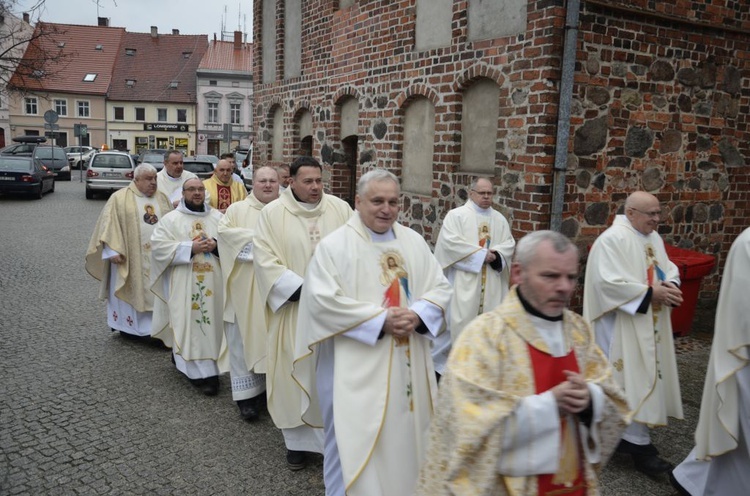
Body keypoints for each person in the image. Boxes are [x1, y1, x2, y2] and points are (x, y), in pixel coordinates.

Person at [417, 230, 629, 495]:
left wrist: (590, 401)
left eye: (570, 277)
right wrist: (549, 406)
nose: (563, 286)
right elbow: (463, 428)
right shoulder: (485, 336)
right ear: (518, 273)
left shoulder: (578, 331)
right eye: (550, 276)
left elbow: (615, 402)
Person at [293, 169, 452, 496]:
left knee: (406, 436)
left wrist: (418, 315)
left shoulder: (413, 241)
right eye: (377, 201)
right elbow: (321, 302)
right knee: (351, 442)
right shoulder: (335, 247)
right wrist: (381, 321)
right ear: (358, 202)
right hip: (352, 369)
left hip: (407, 365)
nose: (387, 209)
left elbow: (439, 287)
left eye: (394, 202)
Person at [253, 156, 352, 470]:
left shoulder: (341, 209)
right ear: (290, 181)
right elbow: (265, 260)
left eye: (319, 181)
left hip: (334, 315)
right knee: (294, 377)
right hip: (295, 312)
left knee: (332, 378)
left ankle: (335, 444)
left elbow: (357, 250)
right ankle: (296, 444)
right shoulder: (272, 214)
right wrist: (307, 291)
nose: (315, 187)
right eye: (307, 181)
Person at [583, 191, 684, 476]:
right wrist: (650, 293)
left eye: (658, 213)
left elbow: (667, 268)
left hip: (647, 322)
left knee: (639, 377)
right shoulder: (612, 240)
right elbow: (607, 284)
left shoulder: (653, 238)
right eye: (650, 213)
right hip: (619, 327)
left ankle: (624, 438)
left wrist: (672, 284)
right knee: (626, 379)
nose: (656, 219)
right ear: (630, 212)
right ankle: (636, 445)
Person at [671, 227, 750, 495]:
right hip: (743, 359)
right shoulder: (748, 243)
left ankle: (690, 479)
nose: (655, 218)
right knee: (734, 433)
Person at [150, 178, 227, 396]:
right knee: (189, 322)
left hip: (215, 283)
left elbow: (232, 244)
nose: (196, 193)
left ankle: (207, 366)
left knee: (213, 323)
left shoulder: (218, 218)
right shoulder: (171, 220)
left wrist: (216, 246)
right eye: (191, 189)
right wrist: (189, 247)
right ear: (183, 193)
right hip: (184, 282)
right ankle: (199, 373)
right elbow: (158, 248)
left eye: (200, 189)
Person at [432, 177, 515, 375]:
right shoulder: (457, 216)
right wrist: (480, 255)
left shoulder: (499, 219)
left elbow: (509, 244)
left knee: (490, 329)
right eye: (482, 193)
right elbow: (449, 245)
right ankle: (448, 369)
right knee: (457, 325)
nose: (486, 197)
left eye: (490, 193)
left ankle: (483, 369)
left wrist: (496, 256)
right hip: (463, 282)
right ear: (471, 193)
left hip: (492, 284)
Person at [216, 166, 280, 421]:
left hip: (275, 289)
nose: (267, 185)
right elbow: (225, 237)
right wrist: (266, 245)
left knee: (273, 340)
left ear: (279, 183)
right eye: (262, 180)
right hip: (244, 289)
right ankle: (247, 398)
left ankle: (272, 392)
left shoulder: (286, 210)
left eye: (272, 181)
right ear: (254, 182)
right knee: (242, 341)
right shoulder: (237, 210)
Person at [85, 164, 172, 339]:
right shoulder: (120, 198)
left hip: (157, 258)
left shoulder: (162, 198)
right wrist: (111, 251)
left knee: (157, 291)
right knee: (132, 289)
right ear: (136, 179)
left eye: (155, 178)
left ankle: (157, 328)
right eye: (148, 179)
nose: (153, 182)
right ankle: (129, 328)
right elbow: (108, 226)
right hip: (128, 258)